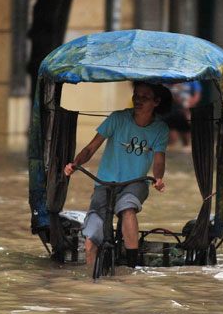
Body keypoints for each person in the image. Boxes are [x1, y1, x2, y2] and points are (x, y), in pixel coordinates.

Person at [64, 82, 172, 269]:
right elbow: (91, 148)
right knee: (91, 235)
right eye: (136, 96)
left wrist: (158, 178)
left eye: (144, 97)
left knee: (127, 207)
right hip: (105, 182)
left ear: (156, 102)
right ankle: (91, 281)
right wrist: (75, 164)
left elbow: (159, 159)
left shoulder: (160, 129)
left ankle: (132, 264)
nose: (138, 100)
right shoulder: (117, 118)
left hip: (135, 183)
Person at [166, 80, 202, 147]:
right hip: (173, 111)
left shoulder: (193, 78)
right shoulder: (168, 78)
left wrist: (189, 106)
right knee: (172, 137)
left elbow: (197, 96)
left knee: (187, 137)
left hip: (186, 110)